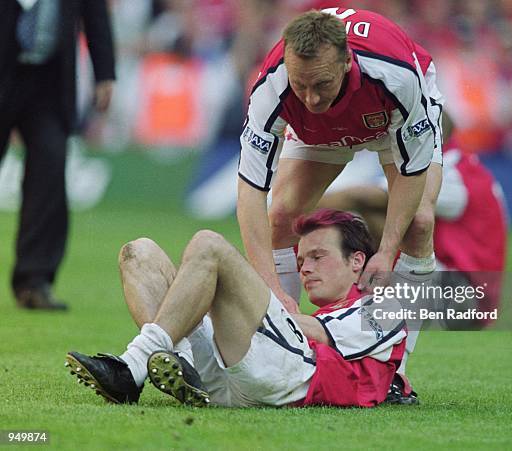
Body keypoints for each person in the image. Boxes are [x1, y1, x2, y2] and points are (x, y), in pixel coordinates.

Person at [65, 209, 413, 407]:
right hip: (236, 372)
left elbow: (323, 333)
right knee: (138, 253)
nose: (305, 268)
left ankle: (134, 365)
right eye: (302, 259)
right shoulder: (331, 313)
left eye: (318, 257)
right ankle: (182, 367)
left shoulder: (388, 306)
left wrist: (253, 299)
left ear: (357, 261)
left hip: (288, 379)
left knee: (209, 245)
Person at [236, 8, 445, 317]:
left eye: (322, 83)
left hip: (388, 117)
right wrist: (271, 288)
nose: (311, 98)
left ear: (347, 61)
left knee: (418, 224)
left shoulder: (396, 75)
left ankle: (395, 359)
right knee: (281, 216)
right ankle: (282, 341)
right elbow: (250, 193)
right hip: (317, 129)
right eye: (300, 85)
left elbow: (411, 169)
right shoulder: (271, 86)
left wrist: (386, 252)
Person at [318, 138, 508, 330]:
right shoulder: (467, 167)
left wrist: (299, 212)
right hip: (473, 292)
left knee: (386, 215)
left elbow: (363, 196)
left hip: (465, 299)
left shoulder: (451, 174)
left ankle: (377, 301)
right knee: (389, 218)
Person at [0, 0, 115, 310]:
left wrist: (105, 72)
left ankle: (34, 281)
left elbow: (94, 11)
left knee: (49, 175)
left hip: (50, 81)